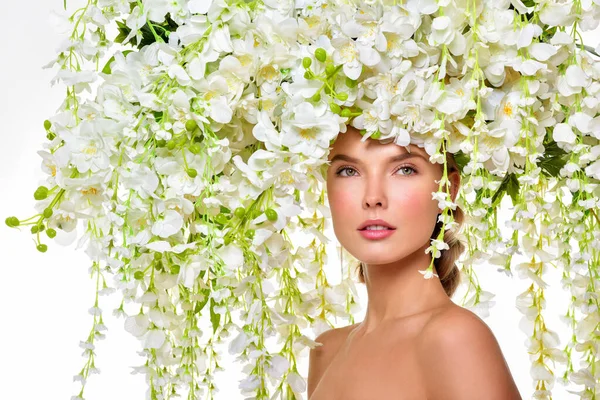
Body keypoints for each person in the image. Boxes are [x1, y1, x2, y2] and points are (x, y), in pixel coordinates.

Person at [307, 126, 522, 399]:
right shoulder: (326, 348)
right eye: (349, 171)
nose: (373, 198)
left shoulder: (454, 339)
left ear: (448, 189)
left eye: (405, 169)